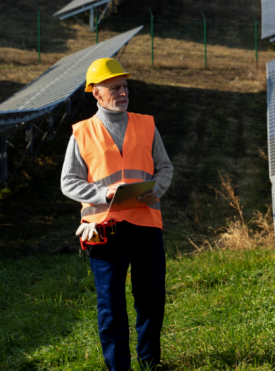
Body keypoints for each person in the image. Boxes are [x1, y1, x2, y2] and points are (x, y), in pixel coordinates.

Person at [61, 58, 174, 370]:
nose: (123, 92)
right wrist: (103, 194)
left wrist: (157, 189)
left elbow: (165, 167)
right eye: (115, 88)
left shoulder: (146, 125)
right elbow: (68, 182)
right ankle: (118, 367)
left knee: (151, 298)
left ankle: (150, 361)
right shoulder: (82, 133)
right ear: (96, 94)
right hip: (100, 228)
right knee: (110, 304)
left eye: (124, 86)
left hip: (146, 222)